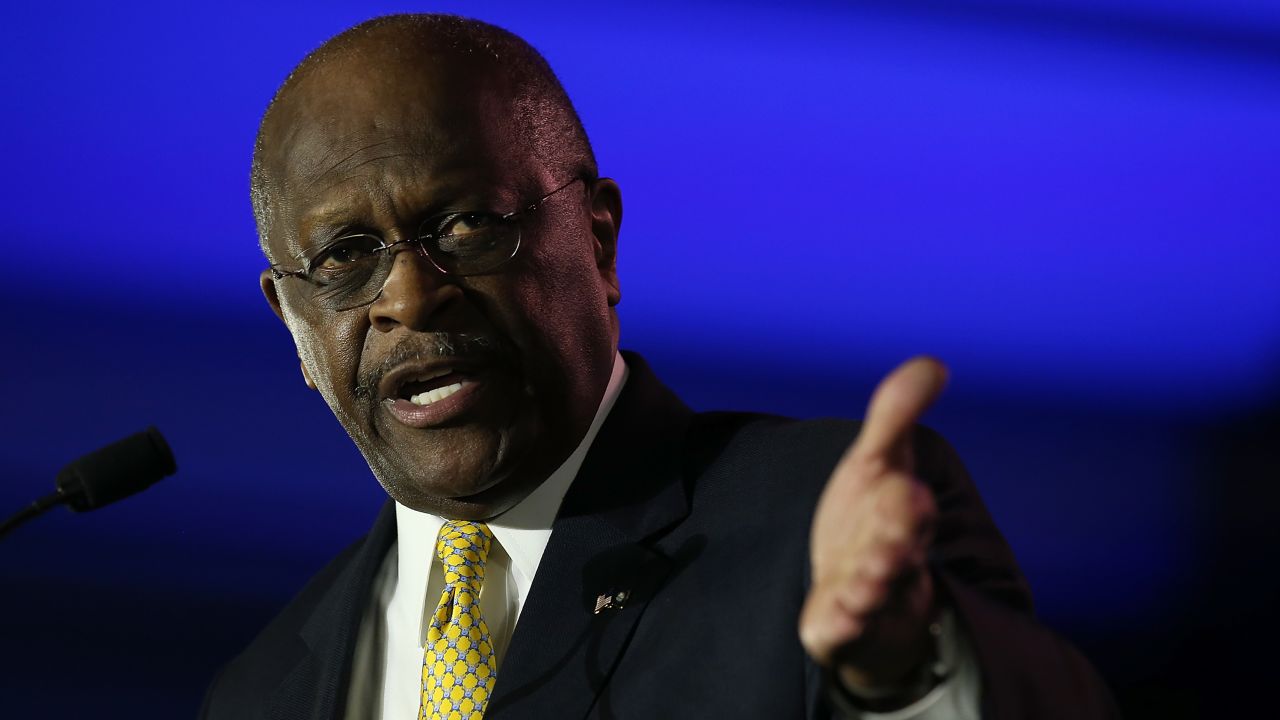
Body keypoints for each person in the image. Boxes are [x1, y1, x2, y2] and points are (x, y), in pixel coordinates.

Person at [201, 13, 1118, 720]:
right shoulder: (261, 690)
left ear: (596, 242)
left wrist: (902, 677)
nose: (408, 295)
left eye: (469, 224)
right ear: (293, 323)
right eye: (345, 257)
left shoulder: (820, 524)